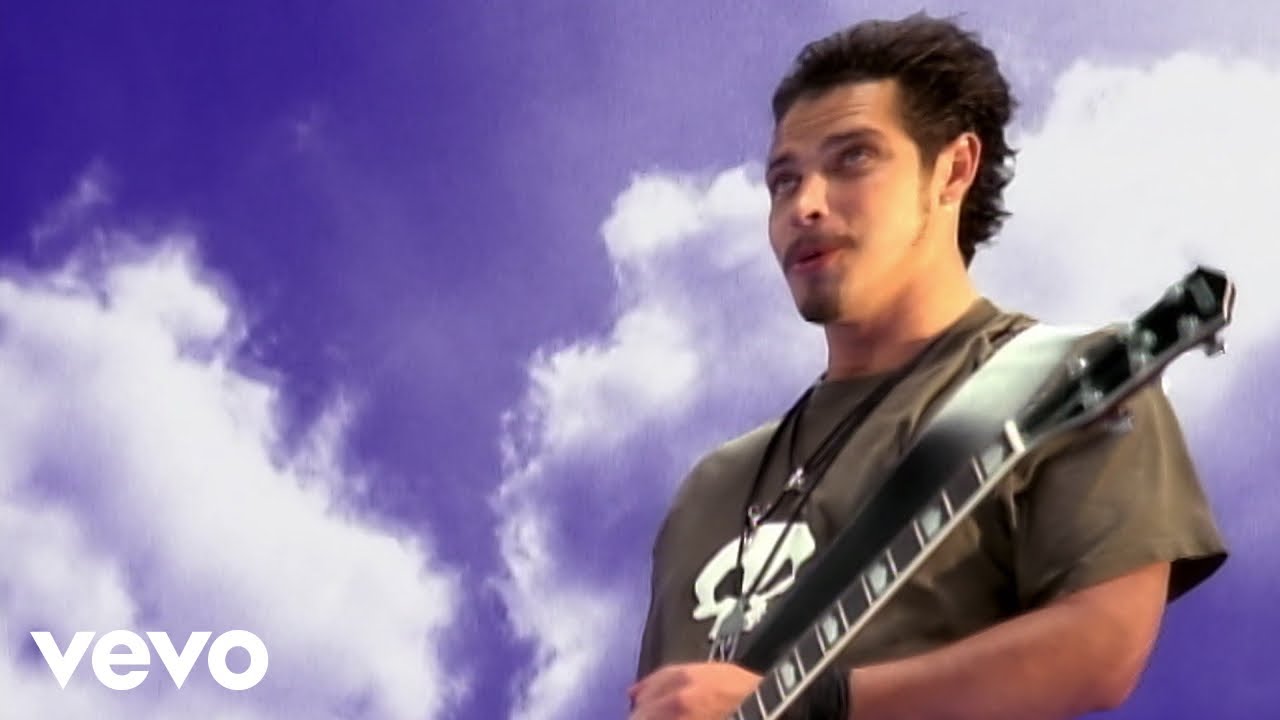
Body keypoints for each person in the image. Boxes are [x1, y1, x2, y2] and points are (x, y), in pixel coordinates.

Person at [627, 13, 1228, 720]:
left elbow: (1098, 651)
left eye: (852, 158)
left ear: (953, 169)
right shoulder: (710, 488)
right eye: (784, 181)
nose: (804, 205)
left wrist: (823, 703)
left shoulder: (1066, 376)